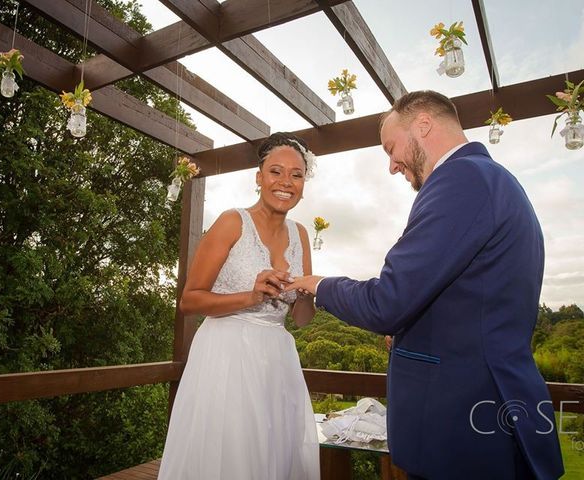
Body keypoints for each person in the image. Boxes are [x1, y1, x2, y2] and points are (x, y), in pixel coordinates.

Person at [285, 91, 564, 480]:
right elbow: (474, 301)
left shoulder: (461, 180)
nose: (391, 165)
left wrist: (320, 285)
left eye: (390, 147)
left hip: (463, 426)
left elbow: (387, 302)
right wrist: (411, 333)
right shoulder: (493, 181)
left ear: (423, 125)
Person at [157, 132, 320, 480]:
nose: (286, 182)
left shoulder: (302, 234)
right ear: (259, 177)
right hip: (226, 357)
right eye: (276, 172)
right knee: (231, 455)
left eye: (296, 174)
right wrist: (251, 296)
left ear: (304, 184)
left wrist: (307, 291)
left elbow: (303, 320)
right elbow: (190, 300)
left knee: (273, 454)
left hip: (277, 360)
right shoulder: (232, 222)